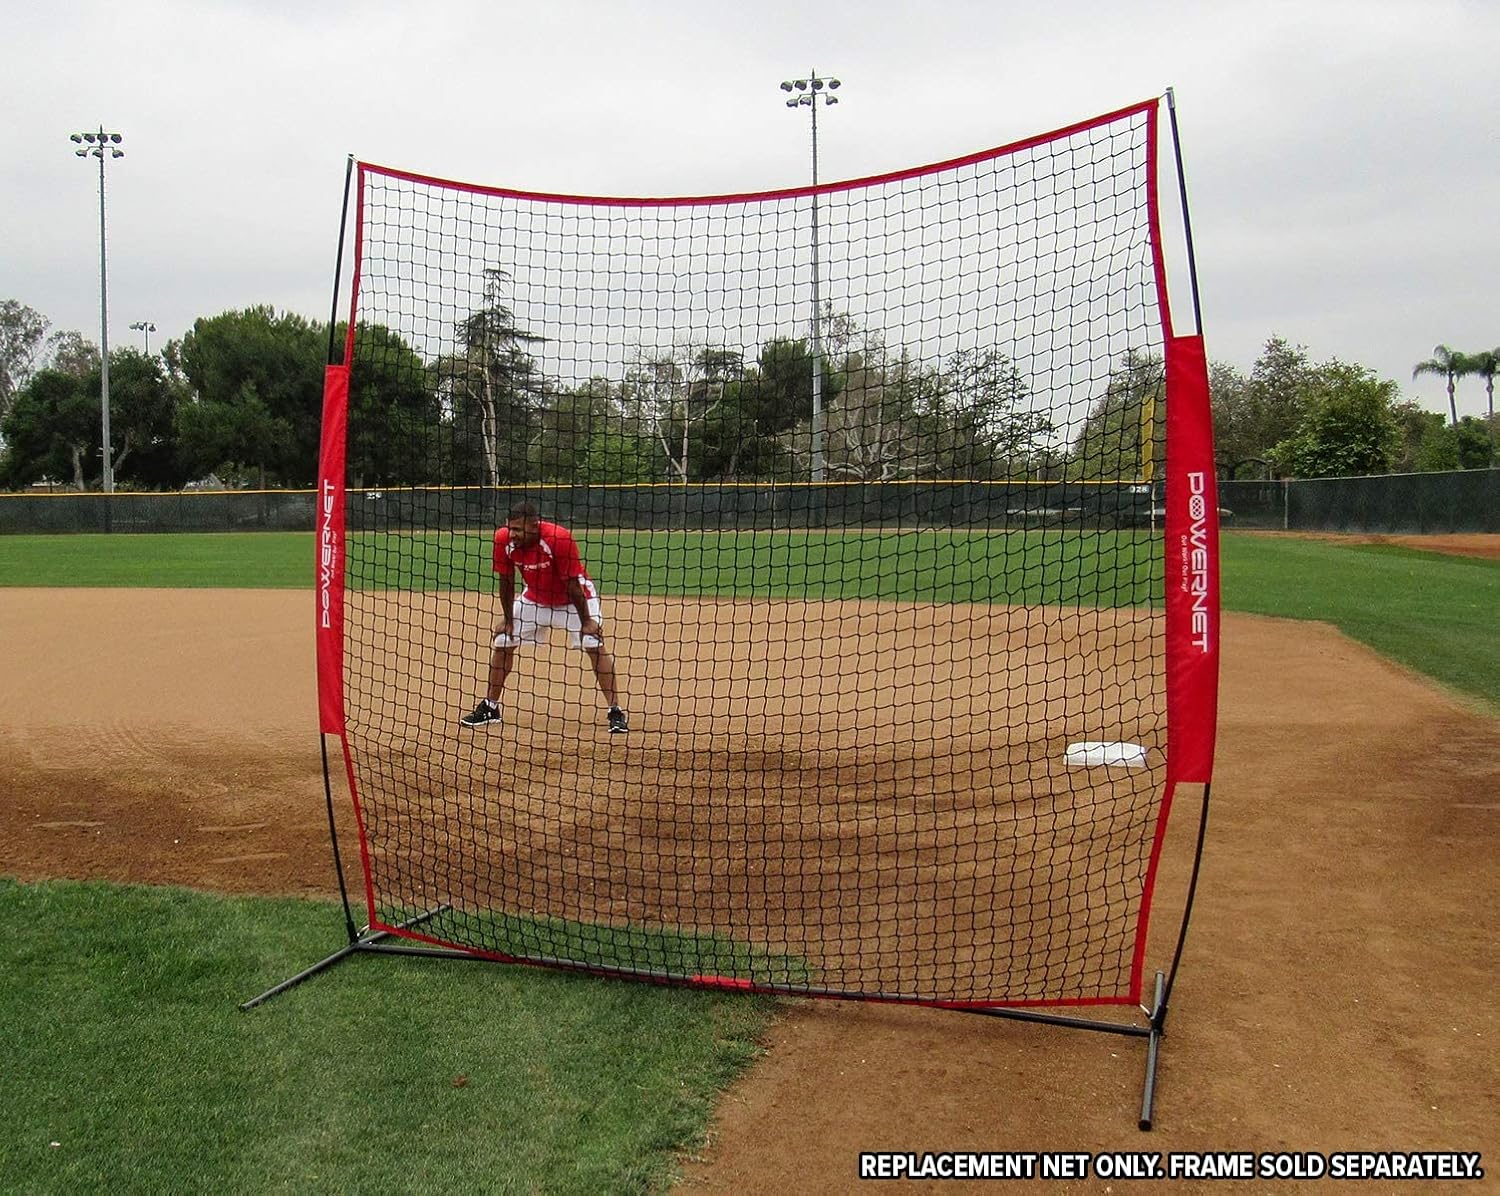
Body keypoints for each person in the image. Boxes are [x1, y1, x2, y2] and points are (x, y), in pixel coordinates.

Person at [459, 501, 628, 733]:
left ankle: (615, 711)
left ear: (535, 526)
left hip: (574, 601)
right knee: (503, 641)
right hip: (535, 599)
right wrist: (508, 620)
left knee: (593, 644)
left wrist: (588, 621)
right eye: (511, 528)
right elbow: (506, 582)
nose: (513, 534)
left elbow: (572, 585)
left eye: (518, 529)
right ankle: (490, 707)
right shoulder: (503, 540)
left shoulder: (558, 538)